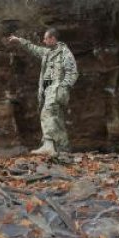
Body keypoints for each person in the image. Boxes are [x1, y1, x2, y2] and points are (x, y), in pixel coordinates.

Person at [8, 28, 78, 156]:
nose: (44, 41)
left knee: (47, 114)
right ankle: (64, 149)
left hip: (57, 91)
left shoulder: (64, 53)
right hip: (47, 91)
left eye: (46, 38)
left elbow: (73, 73)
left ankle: (48, 145)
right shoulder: (47, 53)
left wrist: (63, 87)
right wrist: (19, 40)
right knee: (57, 119)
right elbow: (33, 48)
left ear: (52, 39)